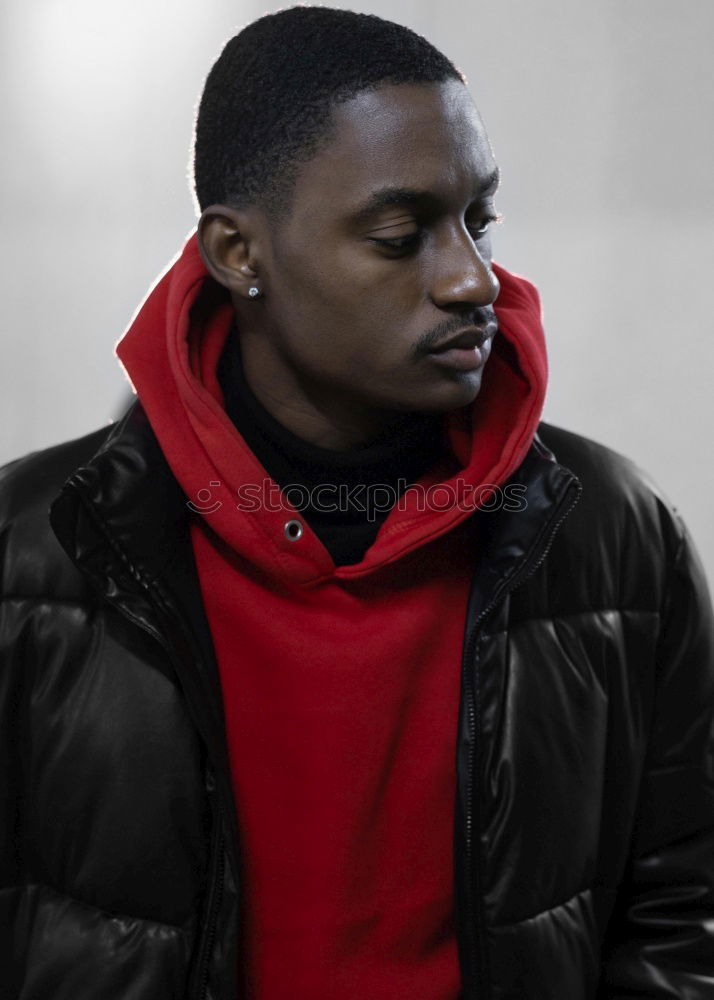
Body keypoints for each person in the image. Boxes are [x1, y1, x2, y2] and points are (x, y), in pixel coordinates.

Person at [1, 6, 713, 999]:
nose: (474, 277)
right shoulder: (27, 553)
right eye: (399, 234)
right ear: (238, 255)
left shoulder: (619, 539)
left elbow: (682, 916)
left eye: (481, 220)